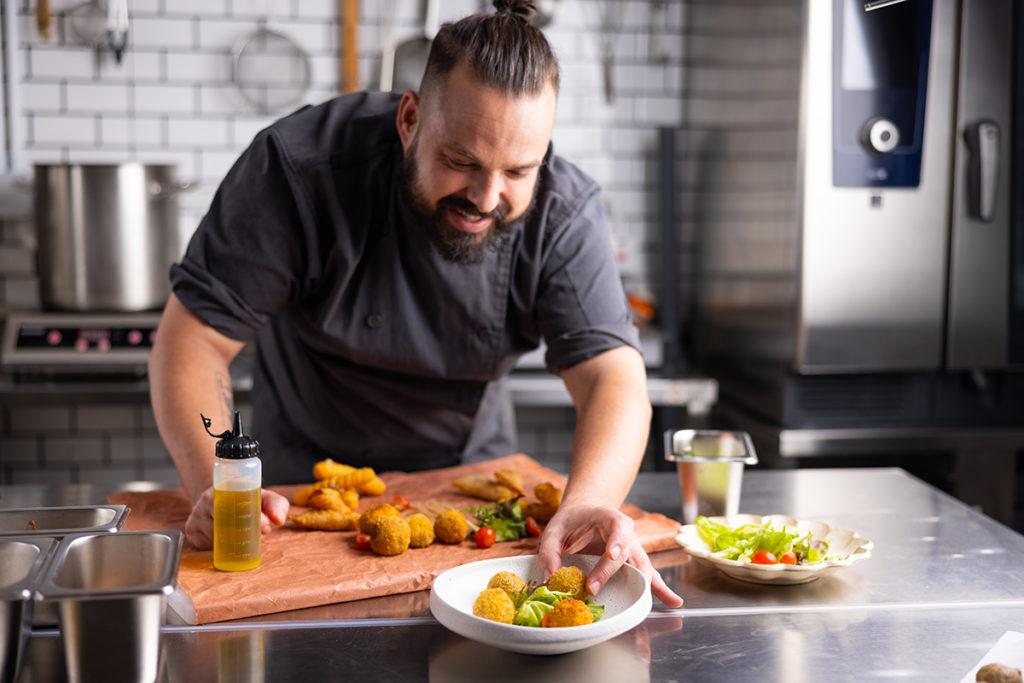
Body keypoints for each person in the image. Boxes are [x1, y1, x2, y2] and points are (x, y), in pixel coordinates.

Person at [148, 0, 683, 608]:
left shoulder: (563, 210)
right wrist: (217, 482)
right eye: (461, 161)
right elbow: (194, 339)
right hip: (295, 501)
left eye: (517, 171)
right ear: (409, 119)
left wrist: (590, 500)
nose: (486, 197)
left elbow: (612, 375)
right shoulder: (298, 169)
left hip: (475, 506)